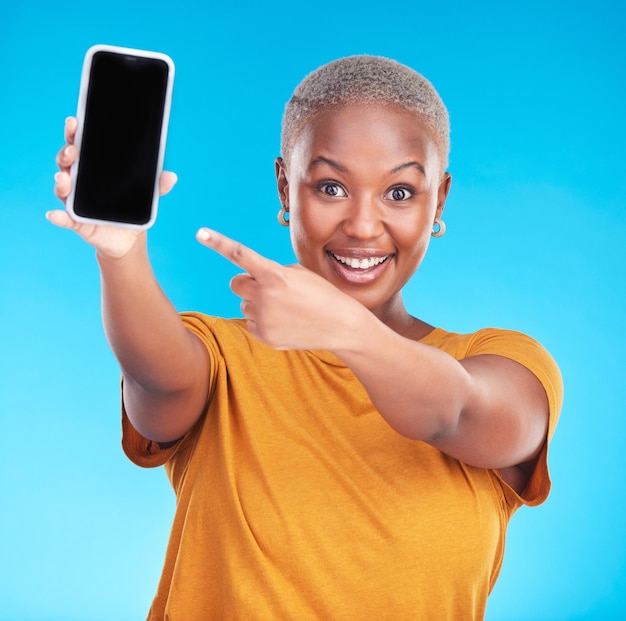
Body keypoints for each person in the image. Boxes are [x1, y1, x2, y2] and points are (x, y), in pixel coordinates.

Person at [50, 55, 563, 620]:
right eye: (331, 187)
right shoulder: (226, 358)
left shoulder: (505, 363)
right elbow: (158, 378)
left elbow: (457, 413)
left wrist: (345, 328)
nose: (364, 226)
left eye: (399, 193)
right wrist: (121, 253)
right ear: (285, 189)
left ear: (437, 201)